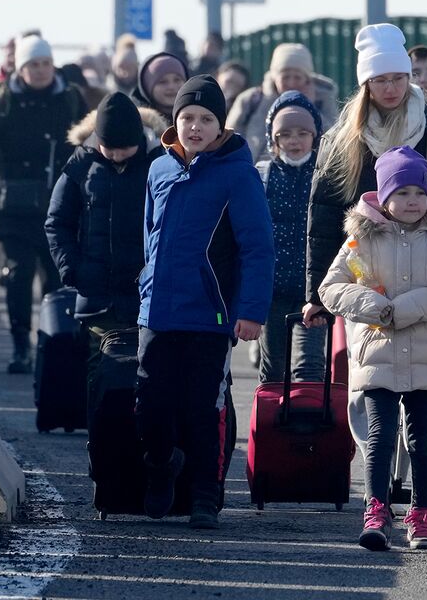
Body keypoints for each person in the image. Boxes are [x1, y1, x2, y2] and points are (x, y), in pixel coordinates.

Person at [136, 75, 273, 530]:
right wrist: (145, 286)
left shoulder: (239, 174)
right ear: (175, 122)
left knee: (203, 408)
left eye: (206, 119)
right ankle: (159, 465)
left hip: (211, 315)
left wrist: (251, 311)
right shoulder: (158, 168)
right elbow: (150, 236)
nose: (195, 126)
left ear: (221, 126)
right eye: (187, 117)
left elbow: (258, 247)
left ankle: (204, 495)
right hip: (157, 310)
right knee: (150, 404)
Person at [319, 146, 427, 551]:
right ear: (383, 197)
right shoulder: (360, 242)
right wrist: (373, 307)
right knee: (381, 435)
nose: (412, 201)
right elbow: (331, 288)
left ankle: (421, 515)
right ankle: (377, 510)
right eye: (401, 193)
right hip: (377, 353)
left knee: (423, 438)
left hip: (424, 353)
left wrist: (403, 309)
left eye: (419, 192)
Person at [303, 23, 427, 331]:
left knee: (424, 358)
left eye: (399, 78)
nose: (391, 89)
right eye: (380, 80)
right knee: (368, 364)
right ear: (366, 84)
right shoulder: (343, 138)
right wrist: (317, 295)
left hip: (423, 267)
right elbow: (323, 216)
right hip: (366, 272)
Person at [0, 34, 84, 373]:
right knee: (18, 278)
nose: (41, 70)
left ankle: (54, 344)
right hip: (14, 209)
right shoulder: (2, 100)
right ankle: (21, 345)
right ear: (20, 67)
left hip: (59, 206)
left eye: (46, 63)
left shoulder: (70, 97)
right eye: (33, 64)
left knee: (56, 278)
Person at [45, 92, 164, 410]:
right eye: (108, 147)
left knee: (149, 370)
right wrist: (73, 269)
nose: (114, 155)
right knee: (102, 369)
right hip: (98, 294)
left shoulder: (160, 163)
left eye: (123, 148)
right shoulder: (81, 165)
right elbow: (58, 223)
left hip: (148, 293)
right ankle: (102, 442)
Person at [255, 90, 326, 384]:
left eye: (302, 133)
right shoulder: (263, 175)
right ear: (274, 139)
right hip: (273, 290)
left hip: (315, 291)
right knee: (274, 369)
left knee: (309, 367)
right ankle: (272, 427)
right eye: (285, 134)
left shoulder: (326, 175)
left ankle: (309, 427)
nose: (294, 141)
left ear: (315, 136)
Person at [226, 42, 339, 162]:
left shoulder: (322, 100)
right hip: (254, 173)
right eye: (285, 77)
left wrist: (310, 107)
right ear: (275, 78)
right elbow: (229, 140)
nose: (291, 83)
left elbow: (333, 141)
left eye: (297, 77)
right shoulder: (251, 100)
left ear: (307, 79)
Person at [131, 52, 188, 124]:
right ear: (147, 87)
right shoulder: (134, 122)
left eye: (177, 80)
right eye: (162, 82)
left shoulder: (198, 117)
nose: (171, 87)